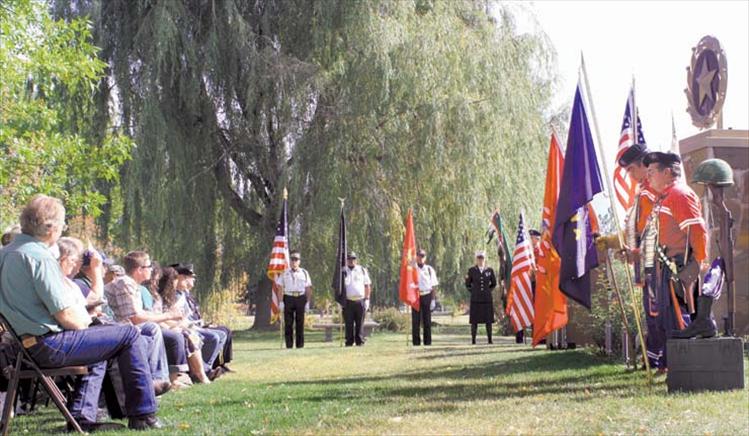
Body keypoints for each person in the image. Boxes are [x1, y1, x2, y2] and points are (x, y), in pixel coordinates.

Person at [0, 194, 162, 430]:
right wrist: (88, 320)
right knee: (128, 334)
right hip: (48, 345)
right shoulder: (39, 257)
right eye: (62, 225)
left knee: (103, 340)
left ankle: (81, 417)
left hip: (22, 348)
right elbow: (68, 317)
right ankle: (143, 415)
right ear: (51, 227)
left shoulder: (5, 254)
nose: (61, 231)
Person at [597, 143, 664, 369]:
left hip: (655, 264)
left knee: (657, 315)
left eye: (630, 170)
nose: (630, 176)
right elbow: (634, 232)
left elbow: (648, 233)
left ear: (643, 167)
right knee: (652, 314)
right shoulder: (644, 193)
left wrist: (632, 251)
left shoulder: (649, 194)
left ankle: (662, 361)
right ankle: (656, 359)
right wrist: (613, 241)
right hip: (647, 262)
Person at [644, 151, 708, 371]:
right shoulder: (665, 196)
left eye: (652, 172)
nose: (648, 177)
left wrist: (698, 262)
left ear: (668, 172)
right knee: (667, 319)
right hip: (667, 266)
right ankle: (672, 365)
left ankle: (685, 366)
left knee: (679, 318)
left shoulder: (679, 194)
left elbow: (697, 230)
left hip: (679, 267)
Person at [105, 251, 189, 390]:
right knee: (153, 329)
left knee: (152, 329)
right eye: (149, 266)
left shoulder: (132, 284)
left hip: (123, 327)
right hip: (114, 329)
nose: (151, 269)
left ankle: (158, 379)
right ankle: (155, 380)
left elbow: (138, 315)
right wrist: (169, 315)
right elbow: (135, 318)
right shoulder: (125, 283)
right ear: (139, 269)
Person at [172, 264, 232, 377]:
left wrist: (202, 324)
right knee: (214, 337)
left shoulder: (184, 294)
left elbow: (193, 313)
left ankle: (208, 367)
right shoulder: (174, 295)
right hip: (184, 326)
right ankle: (204, 371)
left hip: (192, 325)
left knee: (223, 333)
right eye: (186, 277)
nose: (191, 280)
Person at [156, 267, 210, 385]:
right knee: (185, 335)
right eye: (175, 280)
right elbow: (160, 317)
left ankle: (201, 372)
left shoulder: (172, 296)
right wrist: (173, 325)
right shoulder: (160, 298)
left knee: (191, 334)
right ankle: (195, 375)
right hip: (160, 326)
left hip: (170, 324)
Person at [275, 250, 312, 349]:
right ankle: (289, 345)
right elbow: (280, 288)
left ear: (299, 261)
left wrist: (308, 302)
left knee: (300, 323)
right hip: (289, 297)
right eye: (292, 259)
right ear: (290, 261)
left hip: (300, 297)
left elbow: (308, 288)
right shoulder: (284, 273)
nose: (294, 261)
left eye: (296, 259)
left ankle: (300, 345)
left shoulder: (304, 272)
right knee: (288, 323)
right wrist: (281, 302)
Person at [465, 250, 497, 344]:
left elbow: (494, 283)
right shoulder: (471, 270)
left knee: (488, 320)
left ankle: (490, 340)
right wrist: (474, 291)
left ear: (484, 259)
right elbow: (467, 284)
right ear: (476, 259)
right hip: (476, 299)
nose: (480, 260)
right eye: (479, 258)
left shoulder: (489, 270)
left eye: (482, 258)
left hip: (487, 299)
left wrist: (487, 290)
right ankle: (473, 340)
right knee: (474, 321)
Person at [343, 251, 371, 347]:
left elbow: (367, 285)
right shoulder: (343, 271)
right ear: (346, 260)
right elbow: (338, 287)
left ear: (356, 260)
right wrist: (339, 301)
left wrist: (367, 299)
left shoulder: (362, 270)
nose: (351, 261)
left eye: (353, 259)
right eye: (349, 259)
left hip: (360, 300)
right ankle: (349, 342)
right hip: (347, 301)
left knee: (360, 323)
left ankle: (360, 341)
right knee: (348, 323)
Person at [411, 249, 438, 346]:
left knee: (427, 321)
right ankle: (416, 342)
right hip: (415, 296)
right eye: (418, 255)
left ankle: (428, 342)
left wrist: (433, 300)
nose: (420, 258)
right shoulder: (412, 268)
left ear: (425, 258)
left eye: (422, 256)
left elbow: (434, 286)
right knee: (415, 321)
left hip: (427, 295)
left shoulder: (429, 269)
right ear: (416, 257)